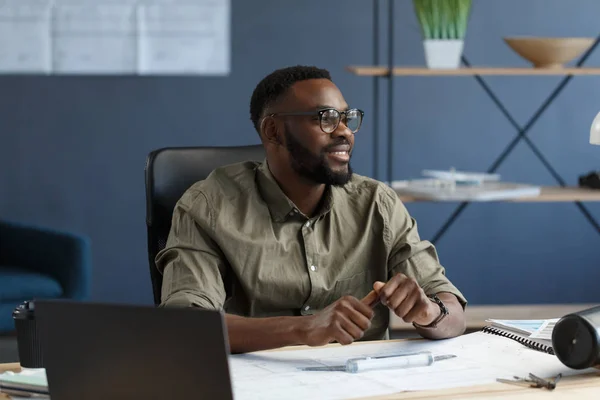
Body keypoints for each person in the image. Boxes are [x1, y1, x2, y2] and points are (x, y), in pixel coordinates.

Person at [156, 65, 467, 354]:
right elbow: (185, 328)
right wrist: (302, 329)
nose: (344, 131)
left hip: (364, 383)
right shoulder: (208, 205)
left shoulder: (377, 203)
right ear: (273, 131)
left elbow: (454, 315)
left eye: (348, 118)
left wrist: (430, 312)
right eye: (326, 118)